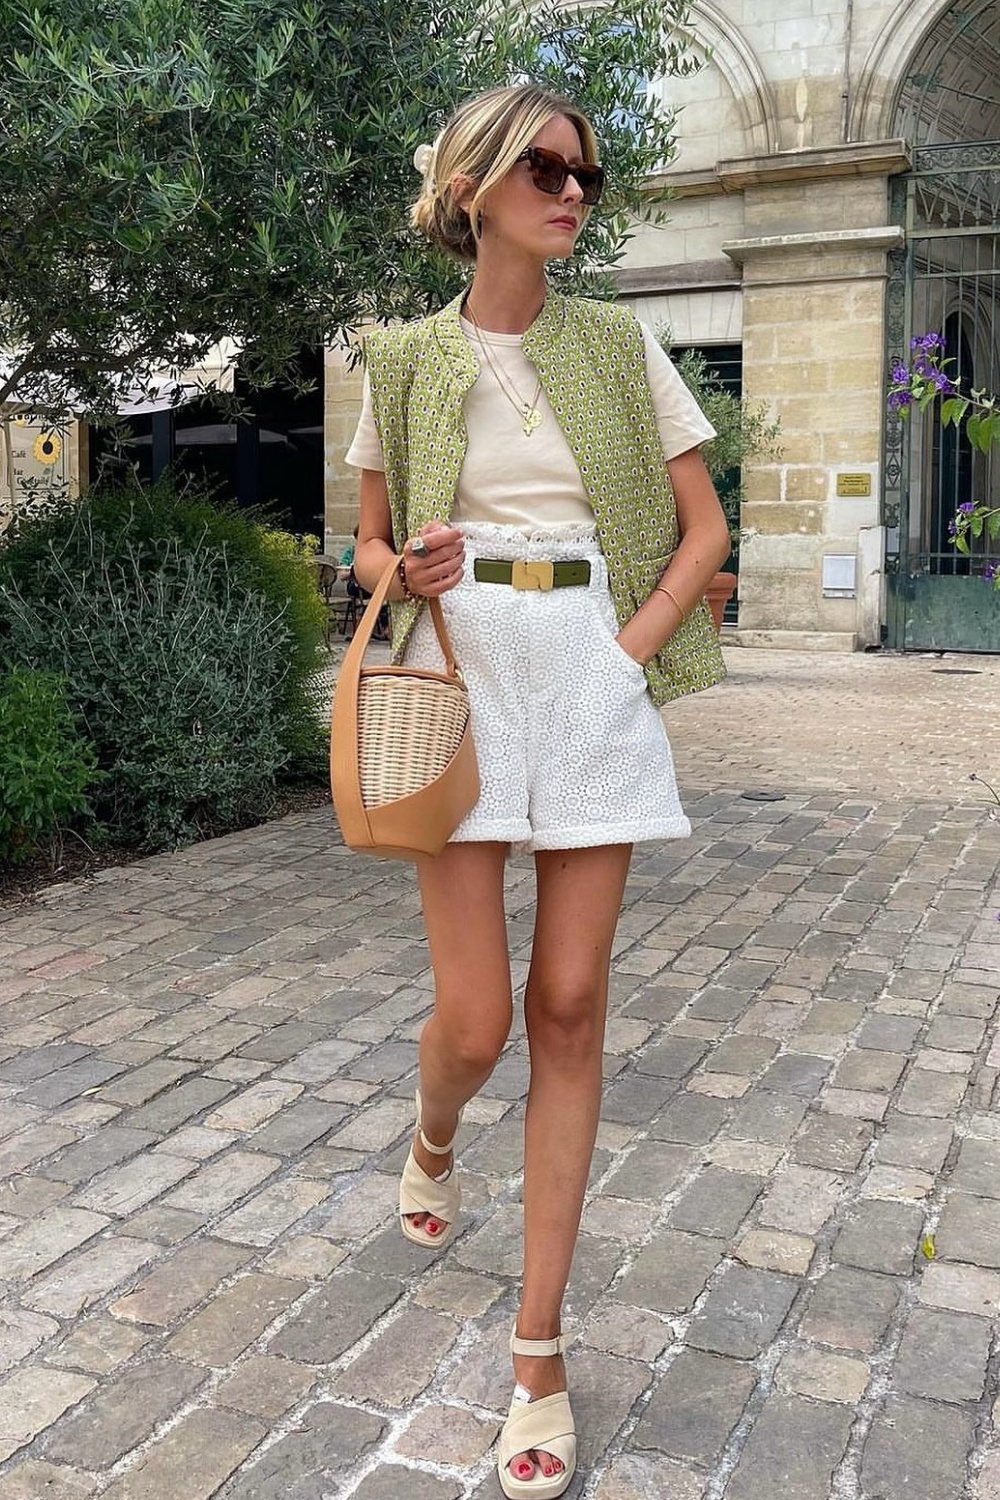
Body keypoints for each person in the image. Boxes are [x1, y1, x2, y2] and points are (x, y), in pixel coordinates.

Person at [346, 82, 730, 1500]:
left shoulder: (624, 348)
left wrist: (625, 657)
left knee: (569, 1006)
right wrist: (400, 573)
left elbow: (703, 530)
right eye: (547, 168)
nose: (575, 191)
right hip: (457, 668)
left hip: (585, 660)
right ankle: (434, 1132)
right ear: (473, 190)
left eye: (588, 172)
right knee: (475, 1013)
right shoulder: (395, 359)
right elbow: (368, 547)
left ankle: (538, 1352)